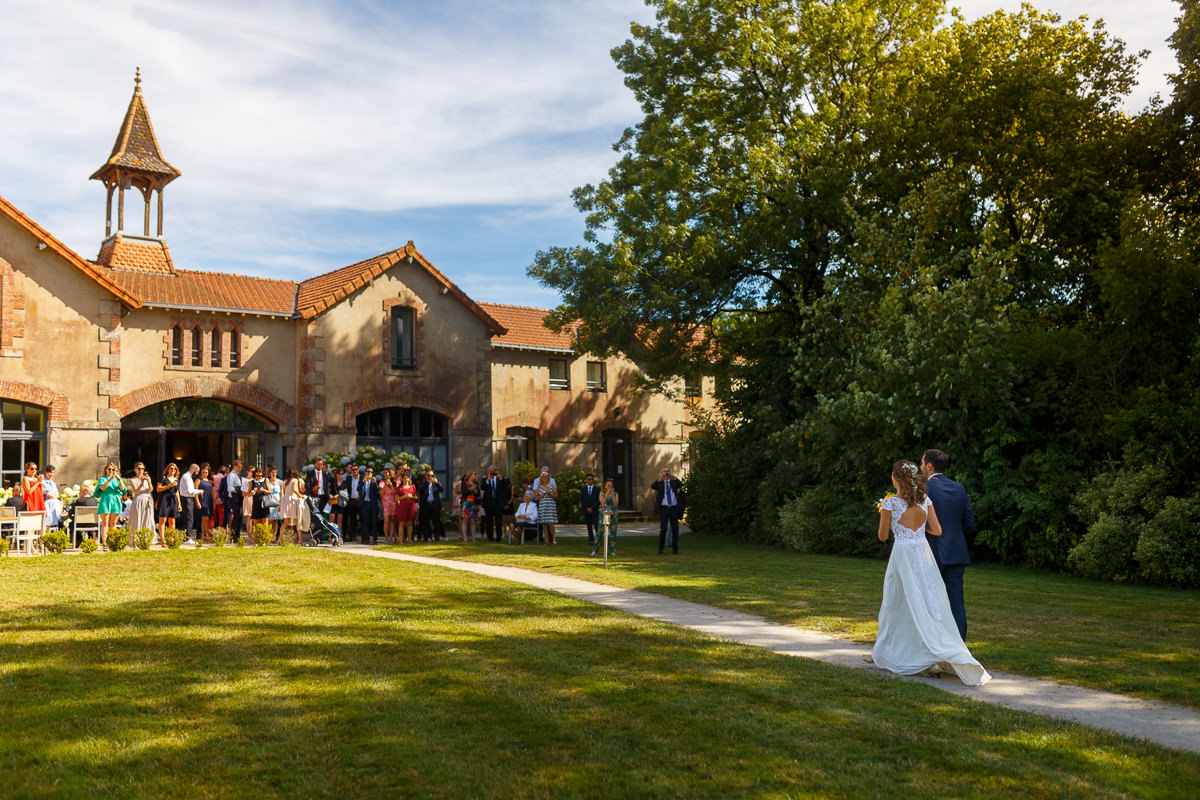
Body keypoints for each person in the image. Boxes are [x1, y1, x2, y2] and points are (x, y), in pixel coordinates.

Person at [870, 459, 990, 686]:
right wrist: (918, 528)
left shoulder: (889, 504)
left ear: (896, 478)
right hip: (922, 553)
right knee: (927, 599)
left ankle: (898, 652)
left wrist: (894, 523)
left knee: (897, 602)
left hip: (903, 554)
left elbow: (883, 536)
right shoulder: (925, 500)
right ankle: (931, 650)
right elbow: (937, 529)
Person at [920, 449, 977, 642]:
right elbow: (970, 524)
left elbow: (917, 522)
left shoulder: (924, 488)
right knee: (956, 602)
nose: (920, 467)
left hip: (932, 551)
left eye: (922, 463)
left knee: (929, 600)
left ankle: (933, 643)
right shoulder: (959, 488)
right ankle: (959, 646)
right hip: (957, 551)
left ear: (929, 466)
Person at [651, 467, 685, 554]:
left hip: (673, 508)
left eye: (667, 471)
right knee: (663, 529)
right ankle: (660, 548)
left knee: (675, 529)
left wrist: (674, 477)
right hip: (664, 508)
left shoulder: (673, 482)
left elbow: (680, 485)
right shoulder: (660, 483)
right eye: (664, 471)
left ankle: (675, 549)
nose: (666, 473)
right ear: (662, 473)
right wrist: (660, 478)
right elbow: (653, 486)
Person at [95, 462, 124, 546]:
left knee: (113, 523)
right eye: (109, 469)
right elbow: (102, 487)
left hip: (115, 499)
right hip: (106, 500)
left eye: (113, 469)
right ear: (106, 470)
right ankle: (104, 543)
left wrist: (119, 479)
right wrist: (110, 479)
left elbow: (123, 489)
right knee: (105, 523)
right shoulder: (103, 479)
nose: (111, 471)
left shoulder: (118, 479)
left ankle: (112, 542)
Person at [480, 464, 511, 542]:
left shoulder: (499, 479)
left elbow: (506, 486)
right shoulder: (485, 479)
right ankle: (490, 537)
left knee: (499, 521)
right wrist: (488, 480)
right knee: (489, 521)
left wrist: (500, 477)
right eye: (491, 471)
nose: (492, 472)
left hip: (498, 503)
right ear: (488, 471)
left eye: (494, 471)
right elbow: (482, 487)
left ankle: (499, 537)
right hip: (488, 503)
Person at [126, 462, 155, 534]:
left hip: (147, 499)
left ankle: (146, 539)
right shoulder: (132, 479)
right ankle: (135, 540)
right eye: (139, 468)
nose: (141, 470)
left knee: (148, 519)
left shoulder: (147, 478)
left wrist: (148, 481)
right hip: (138, 500)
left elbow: (151, 489)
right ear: (135, 469)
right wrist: (141, 484)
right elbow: (136, 491)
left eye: (142, 469)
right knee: (137, 519)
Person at [156, 463, 181, 543]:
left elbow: (177, 492)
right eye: (171, 468)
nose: (173, 470)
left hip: (173, 500)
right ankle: (163, 540)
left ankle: (171, 539)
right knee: (163, 520)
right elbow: (158, 489)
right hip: (164, 499)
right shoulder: (163, 478)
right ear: (168, 469)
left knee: (172, 521)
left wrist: (179, 503)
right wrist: (169, 486)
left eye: (174, 469)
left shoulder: (177, 480)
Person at [416, 469, 444, 541]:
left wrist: (437, 483)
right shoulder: (423, 483)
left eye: (432, 475)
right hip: (426, 504)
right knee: (426, 521)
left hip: (435, 504)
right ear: (426, 476)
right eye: (429, 475)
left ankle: (437, 537)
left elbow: (442, 489)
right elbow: (420, 489)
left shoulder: (436, 483)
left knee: (436, 521)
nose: (430, 477)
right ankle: (426, 537)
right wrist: (427, 483)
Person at [533, 467, 558, 545]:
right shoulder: (539, 487)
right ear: (541, 478)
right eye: (544, 477)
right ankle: (547, 541)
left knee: (551, 524)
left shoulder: (552, 485)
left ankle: (553, 540)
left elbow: (557, 496)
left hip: (550, 506)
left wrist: (550, 494)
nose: (545, 478)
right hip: (542, 507)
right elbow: (536, 498)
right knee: (544, 524)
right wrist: (542, 495)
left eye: (547, 477)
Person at [594, 478, 619, 556]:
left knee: (613, 532)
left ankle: (612, 550)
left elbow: (616, 504)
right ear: (605, 485)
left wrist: (612, 495)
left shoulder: (615, 494)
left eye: (610, 485)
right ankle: (595, 550)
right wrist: (607, 493)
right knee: (600, 531)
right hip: (605, 513)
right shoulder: (602, 493)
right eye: (608, 485)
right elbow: (603, 503)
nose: (609, 486)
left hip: (613, 513)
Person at [179, 463, 203, 543]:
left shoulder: (186, 476)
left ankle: (185, 537)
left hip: (187, 498)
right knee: (189, 519)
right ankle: (187, 537)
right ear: (194, 470)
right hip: (187, 499)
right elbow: (190, 490)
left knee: (187, 519)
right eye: (197, 471)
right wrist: (199, 491)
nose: (197, 474)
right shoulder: (187, 477)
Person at [280, 467, 304, 544]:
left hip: (286, 501)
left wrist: (281, 504)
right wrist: (300, 495)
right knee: (297, 521)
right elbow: (294, 489)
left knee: (285, 522)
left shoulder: (285, 481)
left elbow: (282, 493)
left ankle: (279, 539)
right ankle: (300, 540)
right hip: (293, 501)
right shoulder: (295, 480)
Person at [396, 469, 419, 544]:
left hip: (411, 506)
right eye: (404, 478)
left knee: (410, 523)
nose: (406, 479)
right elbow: (397, 498)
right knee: (401, 523)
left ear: (409, 478)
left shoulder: (412, 487)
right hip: (402, 507)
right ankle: (401, 540)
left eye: (407, 478)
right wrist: (405, 497)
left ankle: (409, 539)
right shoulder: (399, 488)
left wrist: (410, 497)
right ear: (402, 479)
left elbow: (416, 497)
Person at [358, 466, 380, 545]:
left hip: (372, 503)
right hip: (365, 503)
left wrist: (375, 483)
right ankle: (366, 538)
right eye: (368, 471)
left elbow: (377, 492)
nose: (369, 473)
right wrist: (363, 482)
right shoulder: (361, 481)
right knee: (365, 522)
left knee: (374, 521)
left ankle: (375, 538)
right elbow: (358, 489)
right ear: (365, 472)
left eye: (371, 472)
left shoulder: (374, 481)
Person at [224, 460, 244, 542]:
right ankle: (234, 535)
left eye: (241, 467)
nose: (240, 469)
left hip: (239, 497)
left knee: (239, 516)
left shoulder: (238, 475)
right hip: (234, 498)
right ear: (234, 466)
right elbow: (229, 488)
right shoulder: (231, 475)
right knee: (236, 516)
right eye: (239, 467)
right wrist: (238, 489)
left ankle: (237, 535)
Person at [457, 470, 479, 542]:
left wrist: (476, 491)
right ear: (469, 475)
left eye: (475, 474)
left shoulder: (476, 483)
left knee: (473, 521)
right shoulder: (464, 483)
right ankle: (465, 538)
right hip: (465, 504)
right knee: (465, 520)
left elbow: (478, 494)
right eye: (473, 474)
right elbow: (464, 492)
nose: (475, 476)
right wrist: (471, 489)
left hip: (474, 504)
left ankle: (473, 538)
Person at [579, 472, 600, 546]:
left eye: (592, 479)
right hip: (586, 510)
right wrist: (587, 508)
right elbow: (582, 500)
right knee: (589, 526)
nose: (591, 480)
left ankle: (598, 539)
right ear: (586, 480)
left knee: (596, 525)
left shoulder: (597, 489)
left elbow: (598, 500)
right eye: (589, 479)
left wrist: (592, 507)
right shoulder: (583, 489)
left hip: (594, 510)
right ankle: (591, 540)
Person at [197, 464, 214, 541]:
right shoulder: (198, 480)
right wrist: (197, 502)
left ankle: (205, 535)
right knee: (204, 519)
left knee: (207, 519)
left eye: (206, 472)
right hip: (202, 500)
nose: (204, 474)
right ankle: (203, 535)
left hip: (209, 501)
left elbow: (212, 492)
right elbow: (195, 492)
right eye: (203, 472)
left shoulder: (210, 481)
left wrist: (214, 502)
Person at [266, 464, 282, 540]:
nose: (274, 473)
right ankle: (268, 536)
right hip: (269, 502)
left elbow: (282, 494)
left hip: (277, 502)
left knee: (276, 520)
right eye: (272, 472)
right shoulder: (267, 481)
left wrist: (281, 504)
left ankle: (274, 536)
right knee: (269, 520)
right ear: (270, 473)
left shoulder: (280, 482)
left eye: (275, 472)